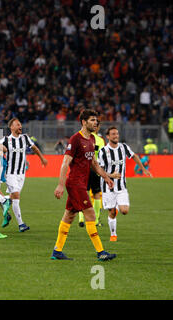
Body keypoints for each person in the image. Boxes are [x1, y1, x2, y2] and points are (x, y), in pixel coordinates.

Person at [52, 109, 116, 261]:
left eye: (96, 120)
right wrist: (60, 185)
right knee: (90, 214)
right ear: (83, 122)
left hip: (81, 182)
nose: (96, 123)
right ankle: (101, 252)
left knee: (69, 215)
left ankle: (57, 251)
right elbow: (65, 163)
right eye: (92, 120)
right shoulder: (75, 139)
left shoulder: (92, 139)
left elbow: (93, 163)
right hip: (75, 184)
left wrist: (106, 177)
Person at [99, 126, 152, 242]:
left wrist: (143, 169)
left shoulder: (123, 147)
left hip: (121, 186)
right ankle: (113, 234)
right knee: (111, 212)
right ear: (108, 136)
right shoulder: (103, 151)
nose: (116, 136)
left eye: (117, 134)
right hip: (108, 187)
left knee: (124, 211)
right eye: (113, 134)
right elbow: (99, 170)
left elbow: (134, 156)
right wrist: (111, 176)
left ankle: (118, 206)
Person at [2, 118, 48, 231]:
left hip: (21, 174)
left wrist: (42, 158)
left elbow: (34, 148)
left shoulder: (25, 138)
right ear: (11, 127)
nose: (20, 126)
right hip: (10, 173)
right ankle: (21, 224)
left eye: (20, 124)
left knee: (13, 198)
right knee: (17, 196)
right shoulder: (5, 140)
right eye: (17, 124)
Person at [78, 121, 105, 227]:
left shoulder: (83, 137)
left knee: (84, 193)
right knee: (97, 194)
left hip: (84, 168)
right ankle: (96, 220)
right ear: (97, 128)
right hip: (95, 169)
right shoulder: (100, 140)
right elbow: (102, 156)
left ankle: (81, 218)